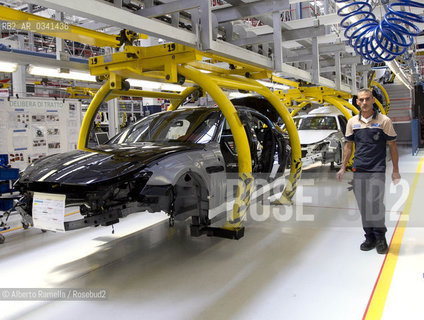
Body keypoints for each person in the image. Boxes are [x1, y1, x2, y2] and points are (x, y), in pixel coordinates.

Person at [337, 88, 401, 254]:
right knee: (364, 205)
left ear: (373, 100)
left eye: (367, 99)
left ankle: (380, 237)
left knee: (375, 204)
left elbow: (392, 146)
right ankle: (369, 237)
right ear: (357, 102)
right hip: (359, 169)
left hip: (377, 169)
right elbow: (348, 146)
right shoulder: (352, 123)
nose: (364, 102)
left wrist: (395, 170)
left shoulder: (383, 121)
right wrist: (343, 167)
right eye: (361, 100)